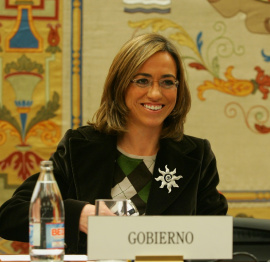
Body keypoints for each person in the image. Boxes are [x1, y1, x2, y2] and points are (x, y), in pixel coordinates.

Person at [0, 33, 228, 254]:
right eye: (142, 81)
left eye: (168, 82)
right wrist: (78, 215)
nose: (156, 93)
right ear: (119, 86)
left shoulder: (196, 156)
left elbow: (217, 240)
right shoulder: (79, 147)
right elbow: (10, 216)